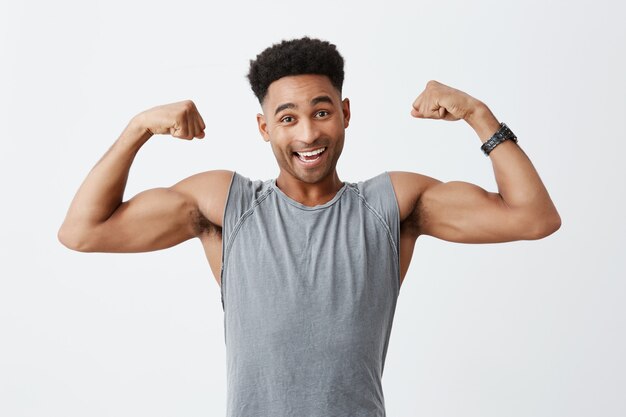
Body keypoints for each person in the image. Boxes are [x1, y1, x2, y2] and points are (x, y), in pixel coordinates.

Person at [58, 37, 561, 416]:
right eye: (288, 118)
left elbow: (533, 217)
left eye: (322, 112)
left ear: (344, 114)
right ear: (264, 128)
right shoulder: (225, 204)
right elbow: (83, 231)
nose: (308, 133)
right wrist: (138, 128)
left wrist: (478, 114)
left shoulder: (392, 203)